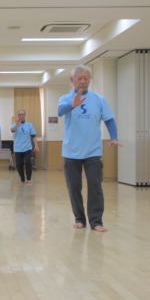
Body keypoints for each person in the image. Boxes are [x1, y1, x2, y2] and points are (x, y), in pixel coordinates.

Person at [58, 65, 120, 232]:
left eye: (86, 78)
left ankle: (96, 221)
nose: (84, 81)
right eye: (80, 78)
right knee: (74, 187)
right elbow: (60, 111)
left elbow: (109, 120)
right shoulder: (65, 98)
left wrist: (114, 137)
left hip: (93, 151)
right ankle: (79, 218)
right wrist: (73, 104)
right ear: (73, 80)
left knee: (95, 186)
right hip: (71, 152)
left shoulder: (98, 99)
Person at [11, 109, 39, 184]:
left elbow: (33, 136)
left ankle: (29, 179)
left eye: (22, 114)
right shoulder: (14, 125)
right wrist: (17, 124)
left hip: (27, 148)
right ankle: (22, 179)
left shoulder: (29, 125)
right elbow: (12, 130)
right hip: (17, 148)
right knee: (18, 164)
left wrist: (36, 145)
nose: (21, 116)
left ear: (25, 115)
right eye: (19, 114)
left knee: (28, 162)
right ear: (17, 116)